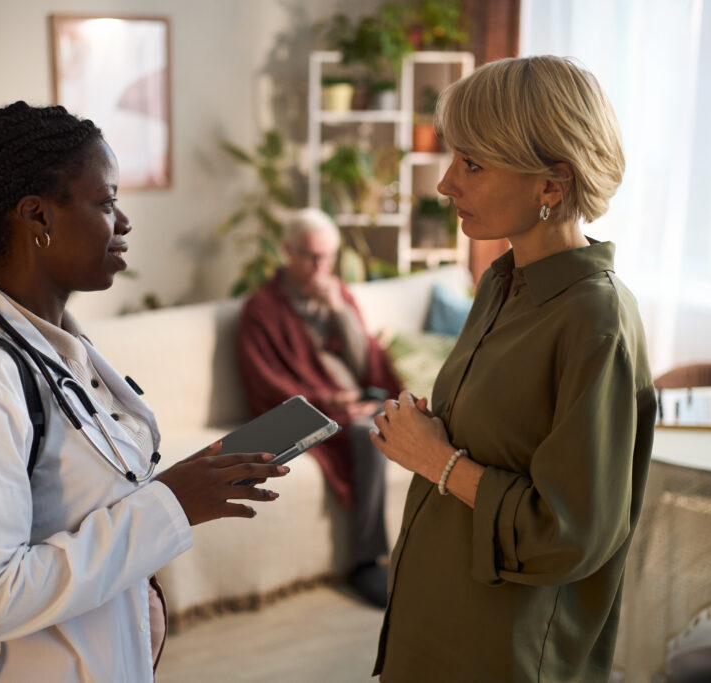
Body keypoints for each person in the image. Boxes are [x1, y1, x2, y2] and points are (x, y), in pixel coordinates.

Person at [0, 102, 289, 682]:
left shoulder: (60, 351)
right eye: (106, 202)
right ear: (37, 217)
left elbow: (81, 505)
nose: (124, 222)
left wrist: (188, 483)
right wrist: (170, 505)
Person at [370, 56, 656, 681]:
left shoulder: (596, 322)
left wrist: (436, 460)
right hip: (432, 628)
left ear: (552, 185)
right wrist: (434, 435)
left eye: (472, 163)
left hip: (506, 652)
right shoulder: (500, 283)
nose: (446, 185)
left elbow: (567, 533)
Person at [236, 208, 403, 607]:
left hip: (357, 401)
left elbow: (368, 367)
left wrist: (342, 314)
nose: (320, 267)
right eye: (311, 257)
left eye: (327, 257)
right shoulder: (261, 309)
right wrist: (333, 403)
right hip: (308, 411)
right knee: (370, 433)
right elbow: (267, 384)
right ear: (287, 252)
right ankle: (367, 562)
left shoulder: (338, 293)